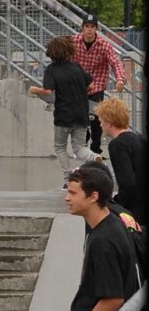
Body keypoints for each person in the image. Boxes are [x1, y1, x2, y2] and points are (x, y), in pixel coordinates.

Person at [25, 166, 141, 311]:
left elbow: (113, 299)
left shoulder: (104, 240)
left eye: (73, 193)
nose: (66, 198)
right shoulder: (103, 227)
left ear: (93, 196)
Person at [29, 35, 102, 188]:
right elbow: (91, 86)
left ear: (52, 53)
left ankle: (68, 178)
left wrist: (34, 89)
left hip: (63, 116)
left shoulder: (51, 70)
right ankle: (94, 156)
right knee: (79, 148)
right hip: (81, 114)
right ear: (69, 51)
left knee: (60, 147)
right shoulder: (77, 67)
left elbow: (48, 91)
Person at [71, 13, 126, 155]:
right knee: (78, 116)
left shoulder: (103, 45)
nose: (89, 30)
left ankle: (95, 147)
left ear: (96, 29)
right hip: (79, 86)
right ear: (82, 28)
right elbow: (61, 55)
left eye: (92, 27)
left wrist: (120, 78)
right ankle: (83, 142)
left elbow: (115, 61)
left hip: (97, 85)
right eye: (87, 27)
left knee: (96, 119)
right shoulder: (73, 41)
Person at [95, 97, 147, 226]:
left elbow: (128, 183)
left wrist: (116, 204)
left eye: (101, 121)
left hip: (135, 211)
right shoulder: (139, 139)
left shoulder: (117, 145)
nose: (100, 125)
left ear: (110, 122)